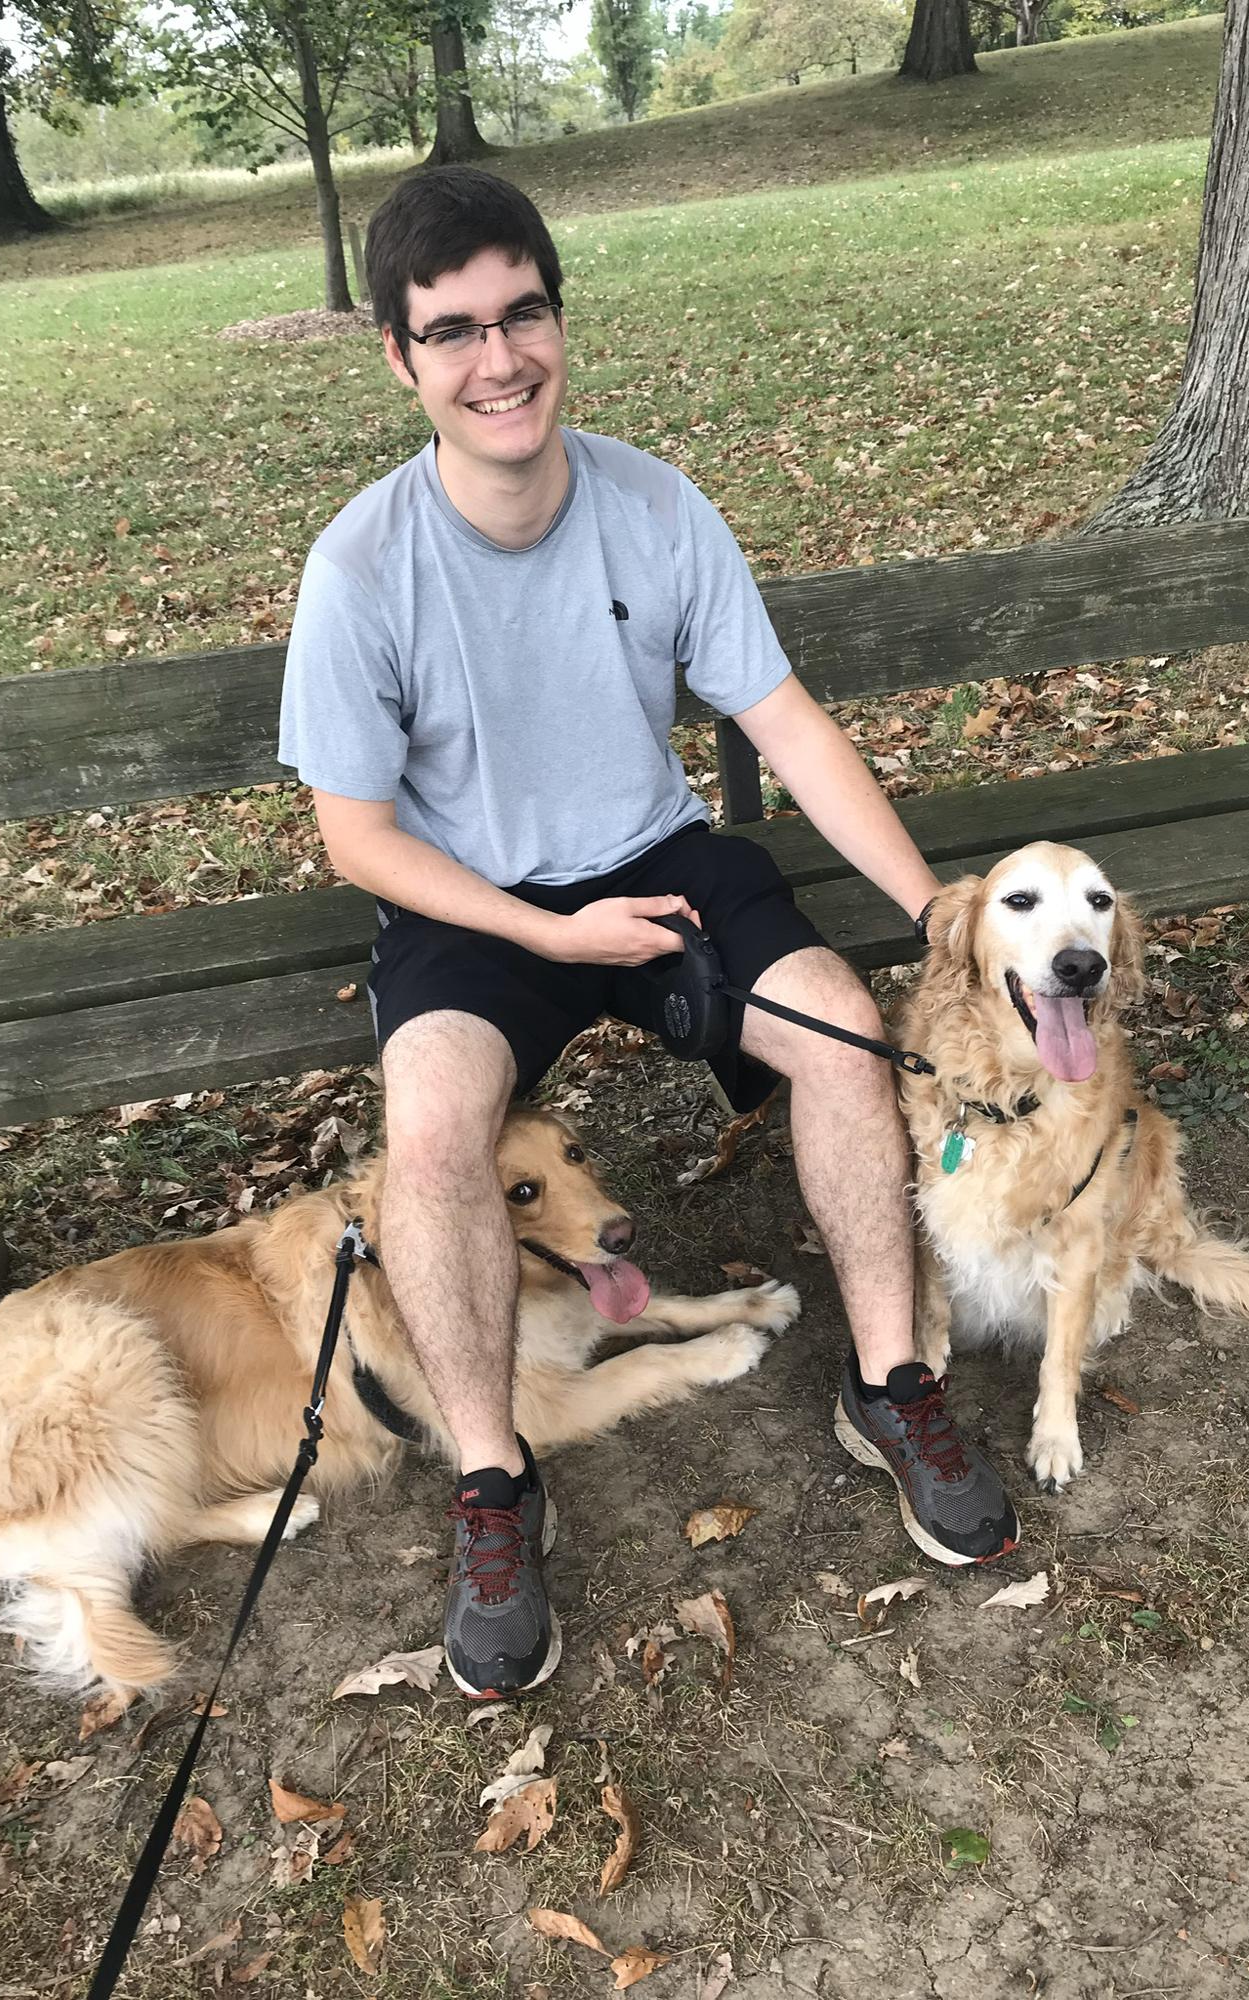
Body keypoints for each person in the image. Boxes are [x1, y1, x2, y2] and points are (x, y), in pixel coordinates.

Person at [278, 166, 1018, 1701]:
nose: (500, 359)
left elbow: (789, 728)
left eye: (523, 313)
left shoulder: (654, 505)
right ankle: (494, 1481)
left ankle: (890, 1384)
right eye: (455, 330)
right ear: (401, 360)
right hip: (470, 905)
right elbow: (358, 838)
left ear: (557, 315)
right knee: (430, 1137)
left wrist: (935, 915)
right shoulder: (362, 568)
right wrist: (546, 943)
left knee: (840, 1030)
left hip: (658, 861)